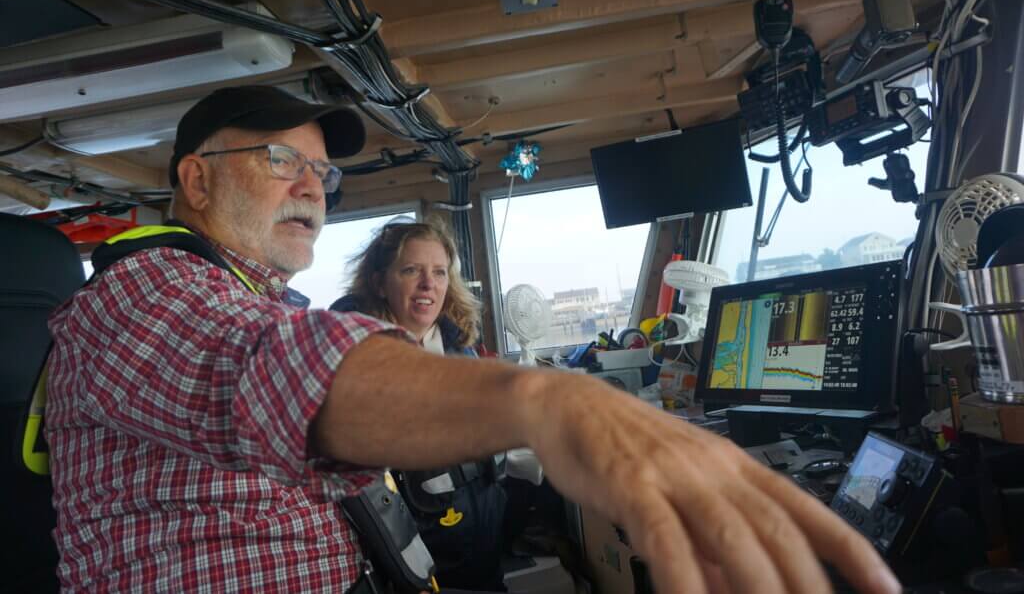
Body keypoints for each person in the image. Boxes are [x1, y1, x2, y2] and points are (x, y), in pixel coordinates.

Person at [46, 84, 902, 594]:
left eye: (323, 172)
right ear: (195, 179)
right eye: (280, 160)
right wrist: (549, 403)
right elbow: (269, 371)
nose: (312, 187)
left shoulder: (246, 296)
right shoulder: (138, 293)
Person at [330, 219, 507, 591]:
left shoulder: (462, 349)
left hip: (485, 546)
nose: (429, 284)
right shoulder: (351, 363)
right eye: (411, 270)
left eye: (439, 272)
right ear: (379, 283)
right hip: (419, 560)